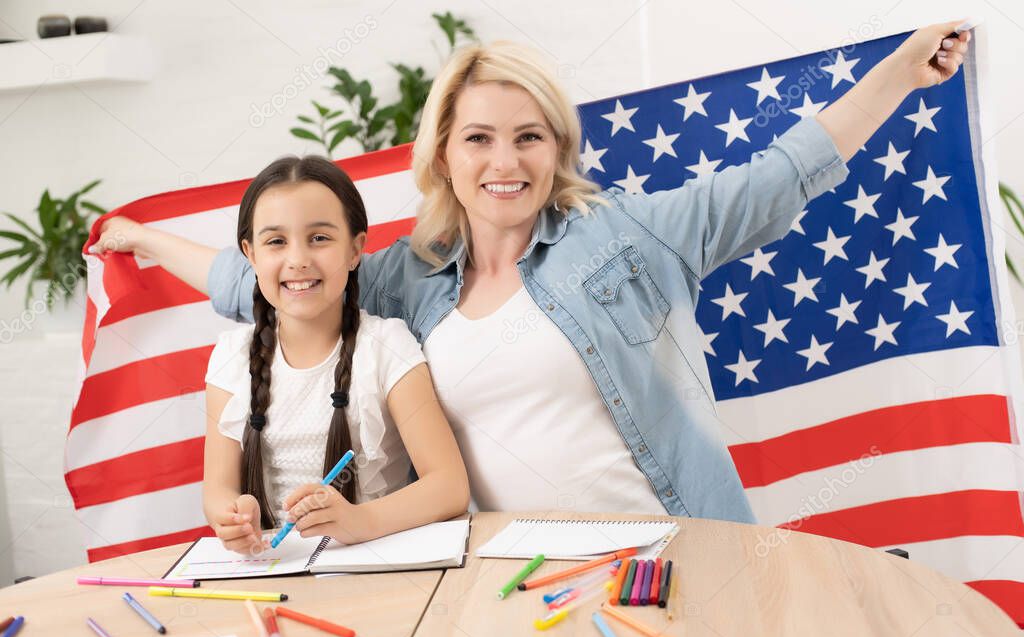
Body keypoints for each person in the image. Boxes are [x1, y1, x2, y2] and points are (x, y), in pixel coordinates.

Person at [95, 22, 972, 524]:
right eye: (479, 137)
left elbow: (779, 178)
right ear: (444, 152)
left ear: (557, 148)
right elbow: (265, 280)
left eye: (528, 136)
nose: (504, 160)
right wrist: (145, 240)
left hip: (677, 552)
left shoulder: (627, 235)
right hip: (520, 580)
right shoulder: (408, 279)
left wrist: (903, 71)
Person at [201, 155, 468, 554]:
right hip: (271, 572)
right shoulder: (230, 357)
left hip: (374, 568)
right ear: (251, 254)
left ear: (355, 249)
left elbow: (449, 485)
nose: (298, 259)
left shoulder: (387, 346)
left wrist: (359, 521)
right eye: (276, 241)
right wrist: (232, 515)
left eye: (319, 238)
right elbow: (218, 487)